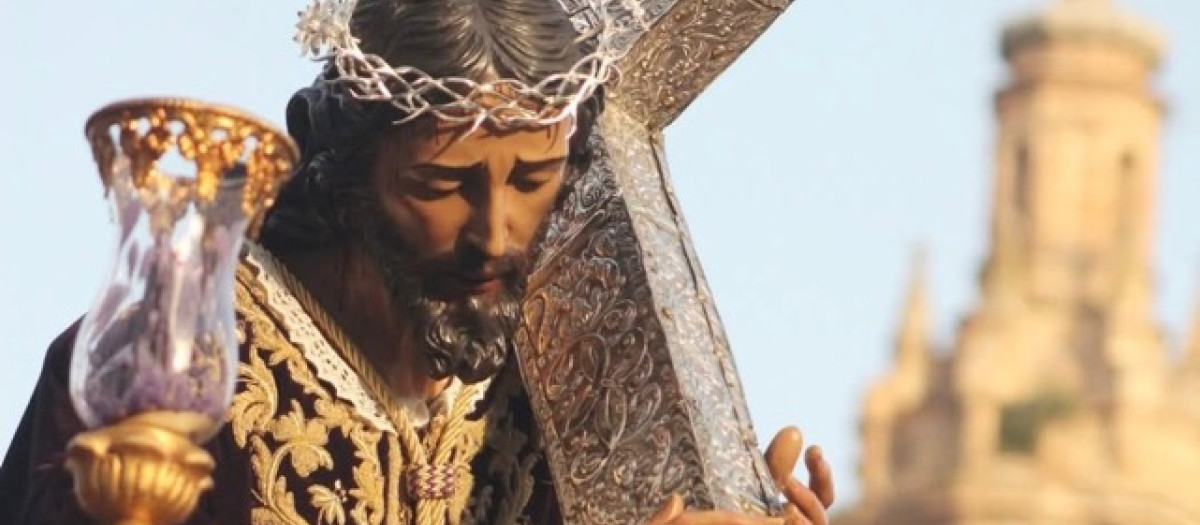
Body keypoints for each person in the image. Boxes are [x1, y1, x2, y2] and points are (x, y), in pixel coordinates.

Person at [0, 0, 835, 524]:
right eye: (443, 184)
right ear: (354, 176)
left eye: (533, 180)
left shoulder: (559, 395)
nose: (496, 233)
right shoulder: (170, 362)